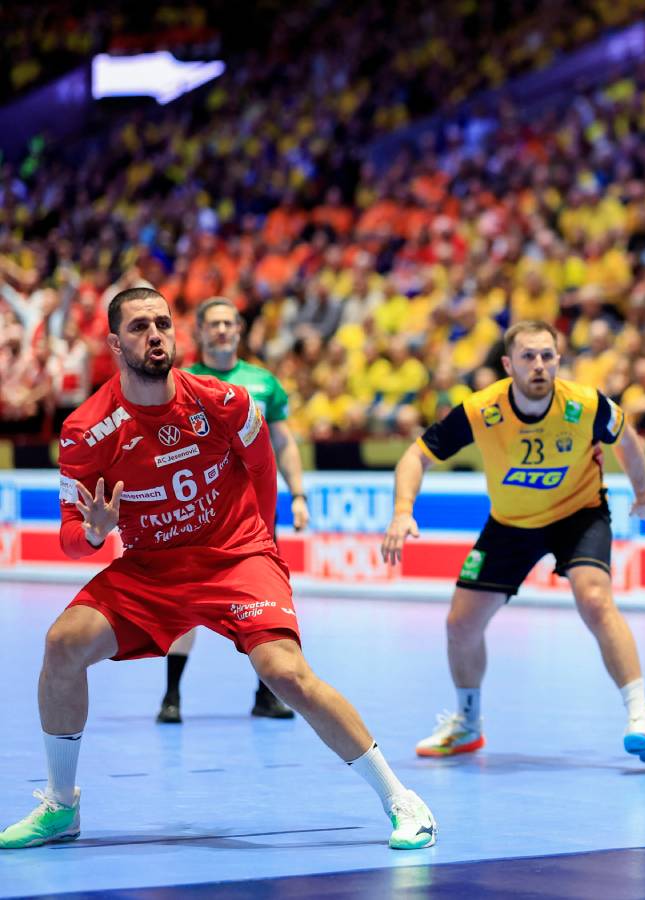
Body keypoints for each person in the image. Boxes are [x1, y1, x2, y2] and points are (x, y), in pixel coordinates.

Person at [1, 287, 435, 850]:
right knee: (62, 643)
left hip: (236, 556)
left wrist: (259, 543)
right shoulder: (87, 429)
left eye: (162, 323)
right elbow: (70, 539)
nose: (155, 335)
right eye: (139, 327)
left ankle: (404, 801)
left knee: (285, 673)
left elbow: (262, 466)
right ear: (113, 342)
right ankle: (61, 808)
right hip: (152, 568)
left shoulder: (223, 400)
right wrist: (93, 531)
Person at [380, 320, 645, 763]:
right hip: (510, 524)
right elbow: (416, 455)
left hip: (579, 513)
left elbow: (628, 441)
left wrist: (643, 492)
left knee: (594, 600)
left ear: (558, 360)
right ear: (508, 364)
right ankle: (467, 724)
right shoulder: (481, 409)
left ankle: (641, 717)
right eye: (529, 357)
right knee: (460, 625)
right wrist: (402, 511)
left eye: (547, 356)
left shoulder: (586, 404)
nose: (539, 365)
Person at [158, 297, 311, 723]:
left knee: (265, 602)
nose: (222, 330)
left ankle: (266, 695)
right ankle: (171, 696)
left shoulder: (263, 382)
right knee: (186, 602)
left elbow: (283, 442)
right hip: (200, 515)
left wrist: (297, 493)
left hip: (255, 517)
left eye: (229, 323)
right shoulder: (180, 381)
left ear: (239, 330)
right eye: (214, 324)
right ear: (201, 332)